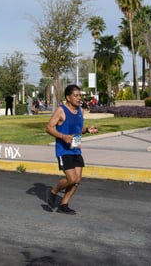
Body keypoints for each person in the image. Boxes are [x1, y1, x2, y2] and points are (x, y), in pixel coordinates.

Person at [45, 84, 98, 215]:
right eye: (76, 95)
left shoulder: (80, 110)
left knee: (77, 179)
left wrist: (87, 130)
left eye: (80, 95)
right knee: (71, 179)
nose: (79, 98)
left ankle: (64, 204)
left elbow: (77, 130)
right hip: (64, 150)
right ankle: (53, 192)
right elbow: (49, 128)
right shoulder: (61, 110)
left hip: (76, 148)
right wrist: (63, 136)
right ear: (68, 97)